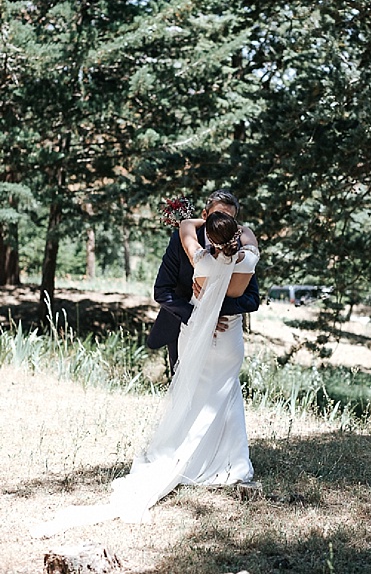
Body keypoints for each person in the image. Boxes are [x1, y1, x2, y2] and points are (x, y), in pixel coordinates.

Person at [31, 211, 260, 535]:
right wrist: (237, 230)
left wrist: (196, 219)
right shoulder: (248, 260)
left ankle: (200, 456)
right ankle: (234, 462)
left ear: (210, 234)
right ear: (236, 233)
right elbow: (247, 244)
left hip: (202, 336)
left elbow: (185, 228)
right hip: (228, 342)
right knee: (226, 394)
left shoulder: (202, 263)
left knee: (200, 396)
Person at [147, 189, 260, 374]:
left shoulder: (210, 250)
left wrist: (212, 314)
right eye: (217, 216)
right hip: (184, 324)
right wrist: (197, 318)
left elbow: (252, 299)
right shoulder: (180, 242)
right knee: (182, 385)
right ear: (205, 214)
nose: (222, 223)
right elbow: (162, 290)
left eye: (228, 219)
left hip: (224, 331)